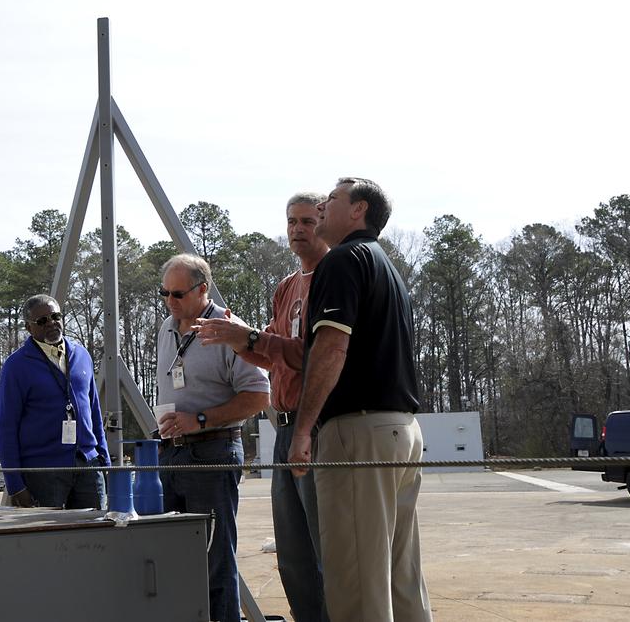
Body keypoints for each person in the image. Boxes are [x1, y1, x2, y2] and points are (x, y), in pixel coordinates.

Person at [290, 178, 432, 621]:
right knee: (399, 575)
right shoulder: (385, 266)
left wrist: (303, 428)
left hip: (359, 435)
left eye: (331, 199)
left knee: (356, 581)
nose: (323, 204)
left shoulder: (344, 261)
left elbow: (331, 348)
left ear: (358, 211)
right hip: (403, 431)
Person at [195, 192, 331, 622]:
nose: (297, 229)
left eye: (308, 221)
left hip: (319, 427)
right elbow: (273, 355)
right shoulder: (287, 287)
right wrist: (237, 338)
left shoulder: (334, 278)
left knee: (325, 545)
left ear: (325, 223)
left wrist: (249, 338)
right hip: (285, 427)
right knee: (292, 551)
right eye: (291, 221)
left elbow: (309, 353)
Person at [155, 253, 270, 622]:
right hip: (172, 456)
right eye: (164, 294)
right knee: (178, 559)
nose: (170, 302)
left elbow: (258, 397)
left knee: (215, 559)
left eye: (178, 294)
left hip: (212, 454)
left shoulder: (229, 329)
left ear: (203, 289)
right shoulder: (166, 328)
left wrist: (200, 420)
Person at [0, 294, 109, 508]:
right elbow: (6, 428)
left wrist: (104, 462)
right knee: (48, 539)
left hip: (88, 466)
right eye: (42, 321)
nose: (51, 323)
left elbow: (94, 412)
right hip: (43, 472)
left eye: (55, 316)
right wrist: (15, 485)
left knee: (96, 534)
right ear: (28, 328)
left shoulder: (82, 355)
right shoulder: (16, 366)